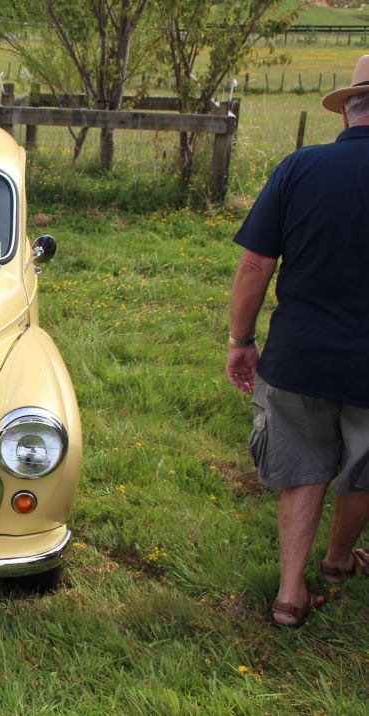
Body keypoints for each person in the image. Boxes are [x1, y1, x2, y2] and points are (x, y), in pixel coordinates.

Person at [227, 55, 369, 628]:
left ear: (346, 114)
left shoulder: (300, 167)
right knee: (363, 467)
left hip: (298, 355)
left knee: (301, 468)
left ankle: (289, 595)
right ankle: (337, 562)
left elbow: (256, 263)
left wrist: (241, 338)